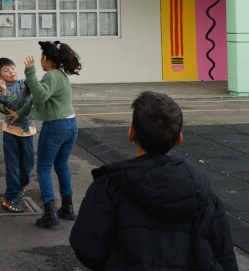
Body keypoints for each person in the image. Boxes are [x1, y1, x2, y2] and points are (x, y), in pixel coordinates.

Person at [70, 91, 238, 270]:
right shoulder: (204, 194)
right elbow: (224, 254)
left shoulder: (108, 187)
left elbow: (87, 247)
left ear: (131, 132)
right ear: (179, 138)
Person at [11, 40, 82, 228]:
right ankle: (67, 206)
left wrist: (30, 72)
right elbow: (38, 98)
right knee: (61, 164)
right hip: (71, 125)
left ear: (45, 58)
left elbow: (40, 95)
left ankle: (50, 213)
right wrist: (20, 113)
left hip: (56, 127)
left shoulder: (51, 76)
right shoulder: (61, 76)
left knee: (43, 168)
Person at [0, 57, 35, 213]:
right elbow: (5, 109)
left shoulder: (24, 84)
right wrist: (4, 91)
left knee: (27, 165)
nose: (11, 72)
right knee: (12, 166)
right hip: (10, 131)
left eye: (12, 68)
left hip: (27, 130)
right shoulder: (1, 89)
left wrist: (31, 72)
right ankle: (10, 199)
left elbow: (36, 90)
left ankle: (21, 186)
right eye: (5, 70)